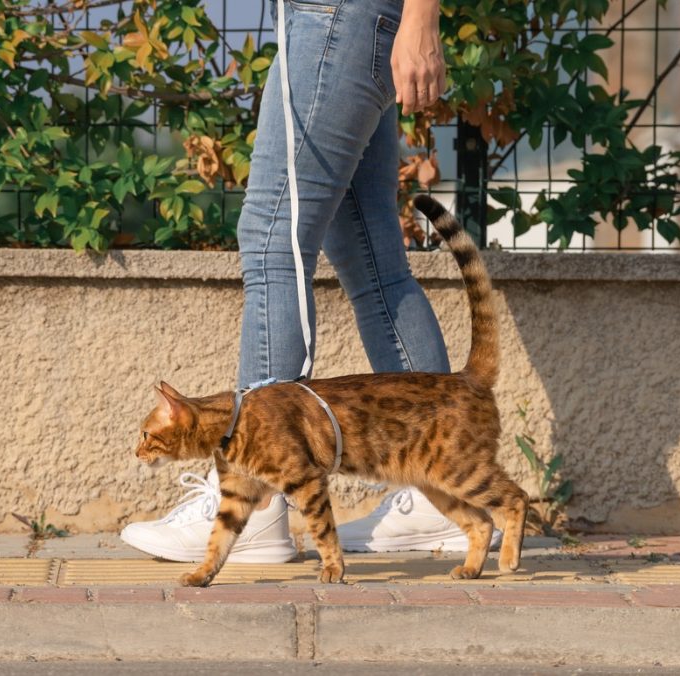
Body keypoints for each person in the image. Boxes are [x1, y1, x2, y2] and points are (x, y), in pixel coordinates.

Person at [121, 0, 499, 562]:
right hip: (332, 20)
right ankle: (437, 492)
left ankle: (259, 504)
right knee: (371, 259)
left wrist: (422, 16)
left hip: (335, 18)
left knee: (272, 238)